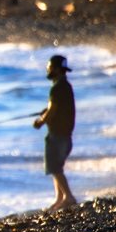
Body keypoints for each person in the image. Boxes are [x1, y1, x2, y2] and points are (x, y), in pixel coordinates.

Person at [33, 55, 76, 211]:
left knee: (54, 167)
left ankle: (69, 197)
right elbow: (59, 108)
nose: (48, 69)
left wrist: (40, 122)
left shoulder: (57, 87)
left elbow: (52, 111)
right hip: (66, 135)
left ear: (57, 69)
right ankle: (60, 198)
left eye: (50, 67)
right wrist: (47, 113)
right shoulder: (66, 86)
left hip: (58, 135)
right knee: (56, 167)